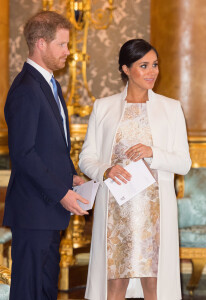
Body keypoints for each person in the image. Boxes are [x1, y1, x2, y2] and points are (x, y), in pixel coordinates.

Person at [79, 39, 191, 300]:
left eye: (154, 64)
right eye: (144, 65)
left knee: (154, 283)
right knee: (114, 280)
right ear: (126, 69)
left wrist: (153, 152)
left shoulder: (171, 108)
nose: (152, 71)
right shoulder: (103, 107)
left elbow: (184, 164)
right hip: (115, 210)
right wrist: (106, 170)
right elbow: (87, 157)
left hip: (154, 210)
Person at [4, 11, 89, 300]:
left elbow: (53, 145)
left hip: (47, 212)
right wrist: (61, 193)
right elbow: (23, 154)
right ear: (41, 44)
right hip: (33, 212)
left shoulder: (49, 84)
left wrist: (71, 175)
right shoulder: (27, 89)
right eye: (62, 45)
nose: (69, 51)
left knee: (45, 292)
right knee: (29, 293)